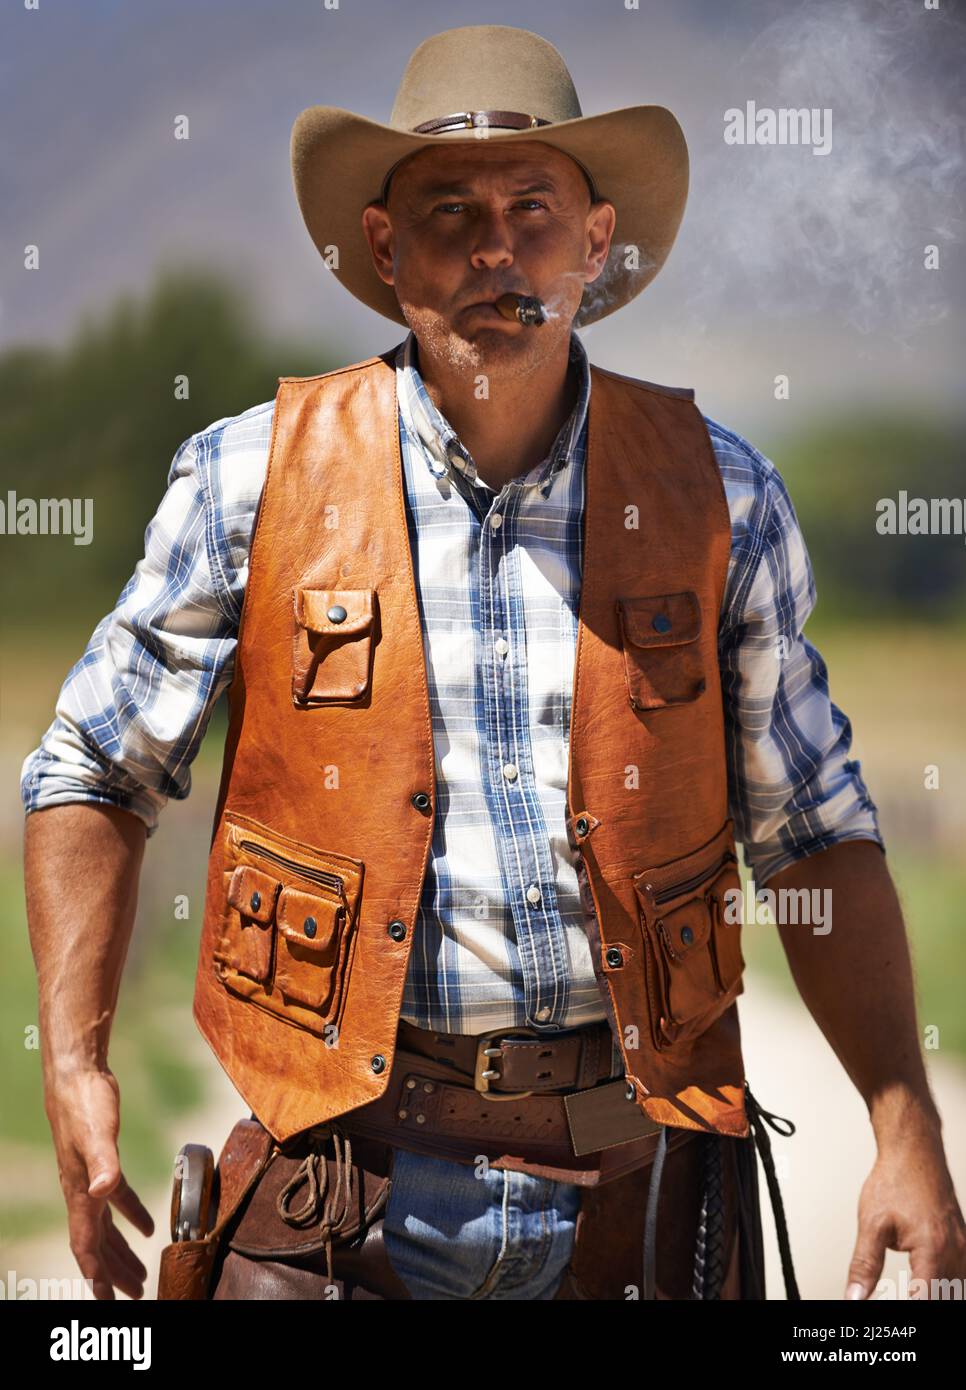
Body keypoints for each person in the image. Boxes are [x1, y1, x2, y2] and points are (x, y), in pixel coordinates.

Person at [21, 24, 965, 1302]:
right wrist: (73, 1063)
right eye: (449, 210)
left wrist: (904, 1119)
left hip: (642, 1201)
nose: (493, 250)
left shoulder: (716, 496)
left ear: (593, 244)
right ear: (383, 246)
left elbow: (816, 831)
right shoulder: (250, 480)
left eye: (534, 209)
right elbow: (93, 766)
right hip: (334, 1194)